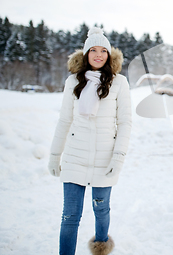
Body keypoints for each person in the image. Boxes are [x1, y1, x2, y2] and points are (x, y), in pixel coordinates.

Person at [48, 27, 132, 255]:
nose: (98, 54)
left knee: (101, 209)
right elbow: (64, 121)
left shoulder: (119, 83)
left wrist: (119, 156)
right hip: (75, 157)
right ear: (85, 54)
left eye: (103, 50)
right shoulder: (73, 81)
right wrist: (55, 155)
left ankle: (101, 244)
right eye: (93, 50)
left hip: (105, 158)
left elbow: (125, 123)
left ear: (109, 54)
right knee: (70, 216)